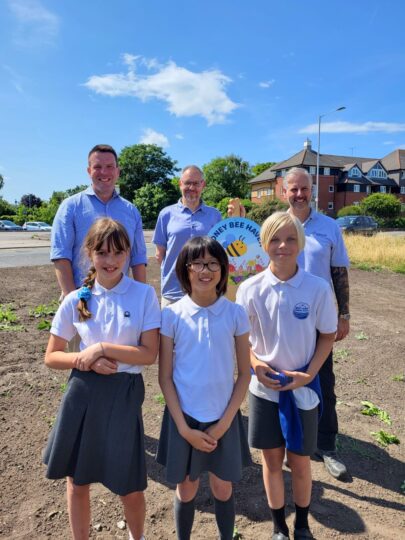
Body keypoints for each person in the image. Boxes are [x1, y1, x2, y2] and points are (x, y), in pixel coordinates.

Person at [43, 218, 160, 540]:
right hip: (82, 392)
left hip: (123, 393)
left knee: (129, 483)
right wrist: (85, 361)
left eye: (118, 253)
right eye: (102, 252)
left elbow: (150, 354)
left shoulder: (143, 295)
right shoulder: (78, 299)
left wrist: (102, 349)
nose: (110, 261)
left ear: (128, 254)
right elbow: (52, 356)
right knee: (77, 480)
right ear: (89, 253)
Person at [236, 212, 337, 540]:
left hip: (303, 389)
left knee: (301, 462)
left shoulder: (317, 288)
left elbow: (328, 335)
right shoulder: (250, 289)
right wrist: (255, 364)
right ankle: (279, 527)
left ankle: (303, 525)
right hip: (264, 391)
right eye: (275, 239)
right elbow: (243, 341)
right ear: (264, 244)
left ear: (301, 243)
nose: (283, 246)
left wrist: (308, 374)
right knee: (272, 461)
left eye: (291, 239)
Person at [157, 236, 252, 540]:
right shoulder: (171, 315)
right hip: (184, 418)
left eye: (212, 263)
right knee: (186, 488)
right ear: (185, 270)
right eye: (196, 263)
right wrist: (184, 429)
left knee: (223, 487)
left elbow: (244, 374)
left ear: (223, 270)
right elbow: (165, 377)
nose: (204, 270)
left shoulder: (235, 314)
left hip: (222, 418)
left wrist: (224, 423)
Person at [282, 167, 350, 480]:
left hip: (319, 321)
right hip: (283, 320)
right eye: (293, 189)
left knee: (324, 382)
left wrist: (344, 314)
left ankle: (326, 446)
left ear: (313, 191)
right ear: (284, 192)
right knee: (284, 381)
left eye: (304, 189)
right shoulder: (275, 226)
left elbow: (339, 272)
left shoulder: (329, 227)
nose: (299, 195)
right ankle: (288, 442)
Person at [51, 144, 147, 300]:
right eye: (97, 167)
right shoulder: (70, 207)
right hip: (83, 297)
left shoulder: (131, 211)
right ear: (89, 171)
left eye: (110, 166)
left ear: (118, 171)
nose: (104, 172)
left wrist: (141, 298)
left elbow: (138, 258)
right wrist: (72, 299)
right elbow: (61, 255)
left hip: (122, 298)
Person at [153, 165, 222, 306]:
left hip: (206, 291)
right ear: (180, 184)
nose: (192, 187)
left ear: (203, 185)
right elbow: (160, 255)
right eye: (187, 183)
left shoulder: (215, 215)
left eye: (196, 183)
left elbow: (220, 253)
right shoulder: (166, 214)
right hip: (173, 292)